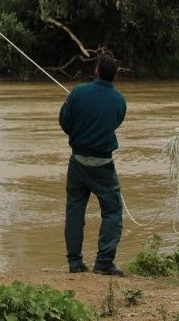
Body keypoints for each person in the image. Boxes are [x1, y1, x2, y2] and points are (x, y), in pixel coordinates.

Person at [59, 53, 127, 276]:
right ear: (114, 75)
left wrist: (77, 128)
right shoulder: (119, 100)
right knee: (113, 211)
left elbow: (65, 122)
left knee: (75, 210)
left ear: (96, 71)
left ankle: (75, 262)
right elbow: (114, 123)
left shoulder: (78, 92)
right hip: (103, 165)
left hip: (77, 162)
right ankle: (104, 262)